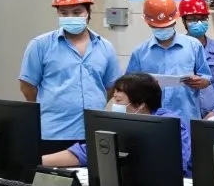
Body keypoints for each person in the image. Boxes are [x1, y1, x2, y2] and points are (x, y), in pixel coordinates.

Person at [19, 0, 120, 155]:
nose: (70, 17)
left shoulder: (105, 47)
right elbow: (27, 87)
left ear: (88, 12)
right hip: (53, 133)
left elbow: (111, 85)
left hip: (94, 131)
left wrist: (96, 103)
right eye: (64, 13)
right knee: (51, 172)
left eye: (77, 12)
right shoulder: (40, 45)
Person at [41, 72, 192, 177]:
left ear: (140, 104)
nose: (114, 104)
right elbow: (87, 152)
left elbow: (176, 165)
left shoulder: (171, 125)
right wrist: (37, 161)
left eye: (118, 100)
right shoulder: (119, 122)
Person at [126, 0, 211, 126]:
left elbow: (206, 78)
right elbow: (129, 88)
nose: (163, 29)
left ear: (175, 20)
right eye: (158, 26)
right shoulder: (140, 53)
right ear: (148, 23)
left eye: (167, 25)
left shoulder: (193, 46)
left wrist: (201, 81)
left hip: (186, 120)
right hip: (152, 123)